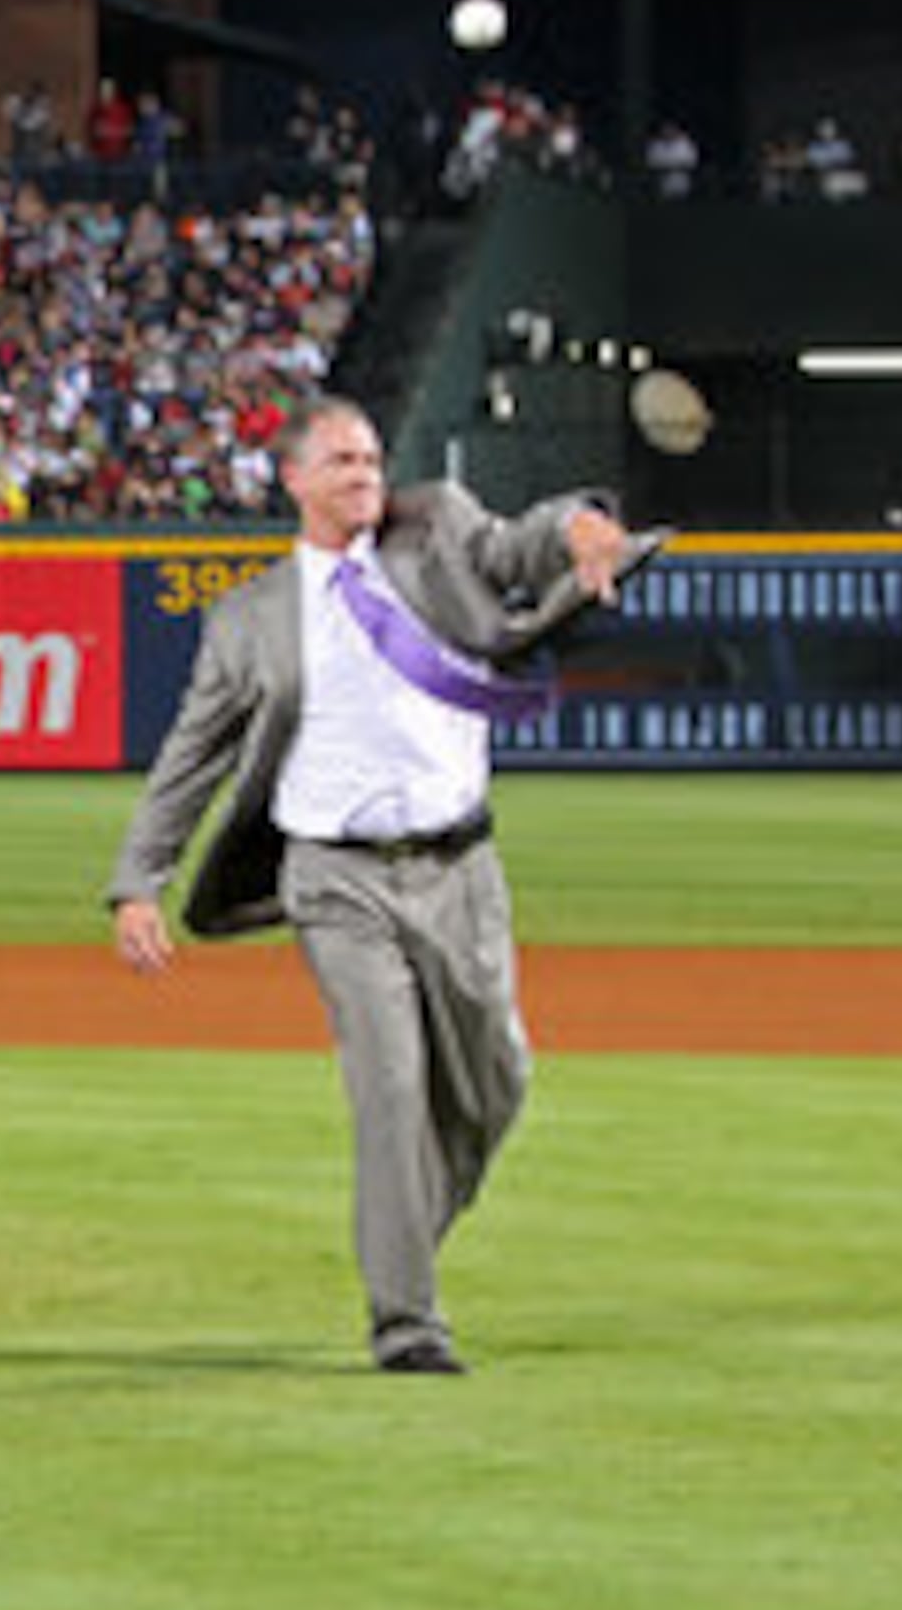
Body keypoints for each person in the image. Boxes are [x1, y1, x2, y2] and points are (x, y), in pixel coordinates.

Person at [102, 397, 652, 1377]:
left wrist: (580, 527)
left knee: (498, 1080)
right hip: (336, 880)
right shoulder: (252, 618)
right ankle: (406, 1321)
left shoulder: (436, 523)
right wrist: (137, 880)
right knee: (391, 1086)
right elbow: (191, 758)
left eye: (370, 458)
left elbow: (524, 542)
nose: (365, 474)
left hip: (460, 865)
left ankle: (397, 1240)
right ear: (294, 479)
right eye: (343, 461)